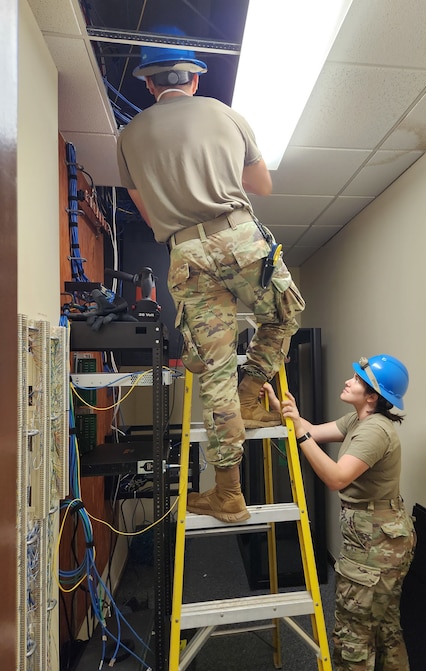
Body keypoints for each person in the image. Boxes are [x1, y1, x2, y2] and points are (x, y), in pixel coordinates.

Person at [116, 28, 305, 524]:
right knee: (285, 313)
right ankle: (252, 393)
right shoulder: (224, 113)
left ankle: (228, 494)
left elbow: (145, 207)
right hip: (238, 237)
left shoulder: (128, 136)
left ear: (150, 85)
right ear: (193, 79)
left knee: (213, 370)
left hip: (185, 251)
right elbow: (261, 183)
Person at [263, 354, 415, 671]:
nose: (349, 381)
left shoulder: (375, 430)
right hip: (377, 540)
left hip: (375, 548)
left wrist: (302, 440)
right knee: (384, 630)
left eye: (358, 379)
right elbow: (314, 431)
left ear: (373, 396)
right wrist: (288, 412)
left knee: (354, 639)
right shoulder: (359, 419)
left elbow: (335, 477)